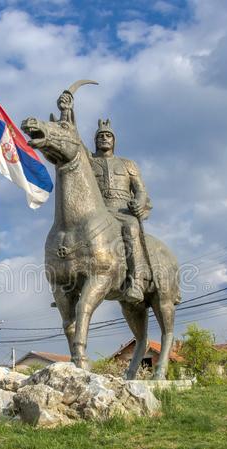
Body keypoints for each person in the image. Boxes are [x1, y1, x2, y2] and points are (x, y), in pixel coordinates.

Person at [57, 93, 152, 303]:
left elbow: (141, 190)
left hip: (122, 212)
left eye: (108, 136)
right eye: (100, 136)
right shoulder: (89, 161)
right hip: (97, 212)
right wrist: (66, 111)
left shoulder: (128, 164)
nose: (104, 138)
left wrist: (139, 202)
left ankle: (136, 281)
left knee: (131, 228)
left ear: (114, 140)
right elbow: (71, 139)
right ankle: (69, 284)